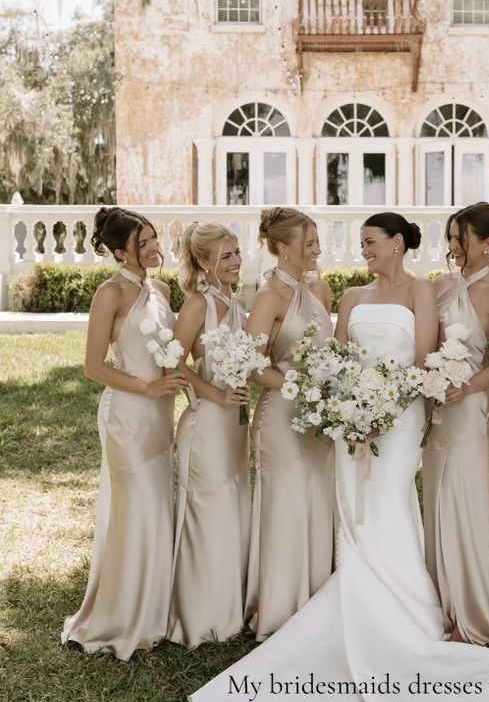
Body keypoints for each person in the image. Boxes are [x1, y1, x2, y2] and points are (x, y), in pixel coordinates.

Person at [189, 212, 489, 702]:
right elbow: (333, 358)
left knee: (390, 505)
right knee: (353, 510)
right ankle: (357, 598)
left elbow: (425, 358)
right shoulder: (350, 296)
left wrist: (389, 403)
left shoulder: (424, 291)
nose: (363, 252)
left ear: (398, 244)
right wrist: (348, 404)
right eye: (360, 244)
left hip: (401, 418)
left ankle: (408, 614)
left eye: (371, 243)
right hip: (349, 418)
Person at [62, 206, 186, 659]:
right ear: (120, 252)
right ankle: (122, 616)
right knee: (136, 509)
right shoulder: (110, 294)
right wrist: (147, 386)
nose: (156, 247)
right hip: (128, 416)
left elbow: (171, 352)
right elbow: (94, 366)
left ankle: (154, 612)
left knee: (158, 509)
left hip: (160, 417)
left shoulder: (163, 289)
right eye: (144, 242)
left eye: (155, 238)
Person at [423, 202, 489, 646]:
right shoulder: (441, 285)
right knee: (436, 496)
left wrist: (466, 386)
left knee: (466, 497)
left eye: (461, 238)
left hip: (472, 407)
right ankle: (435, 601)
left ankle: (473, 611)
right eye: (451, 237)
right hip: (436, 408)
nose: (453, 246)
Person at [244, 207, 336, 639]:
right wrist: (298, 388)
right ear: (284, 248)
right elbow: (250, 364)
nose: (317, 249)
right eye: (310, 243)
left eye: (317, 241)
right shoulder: (270, 298)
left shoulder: (320, 288)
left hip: (318, 419)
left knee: (318, 500)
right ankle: (281, 609)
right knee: (287, 505)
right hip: (282, 416)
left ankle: (317, 602)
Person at [167, 222, 251, 648]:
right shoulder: (200, 304)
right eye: (226, 256)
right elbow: (172, 363)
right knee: (210, 511)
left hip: (235, 426)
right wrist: (215, 393)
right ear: (203, 261)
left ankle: (227, 610)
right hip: (206, 426)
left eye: (237, 253)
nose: (236, 262)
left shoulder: (234, 301)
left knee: (232, 508)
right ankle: (200, 616)